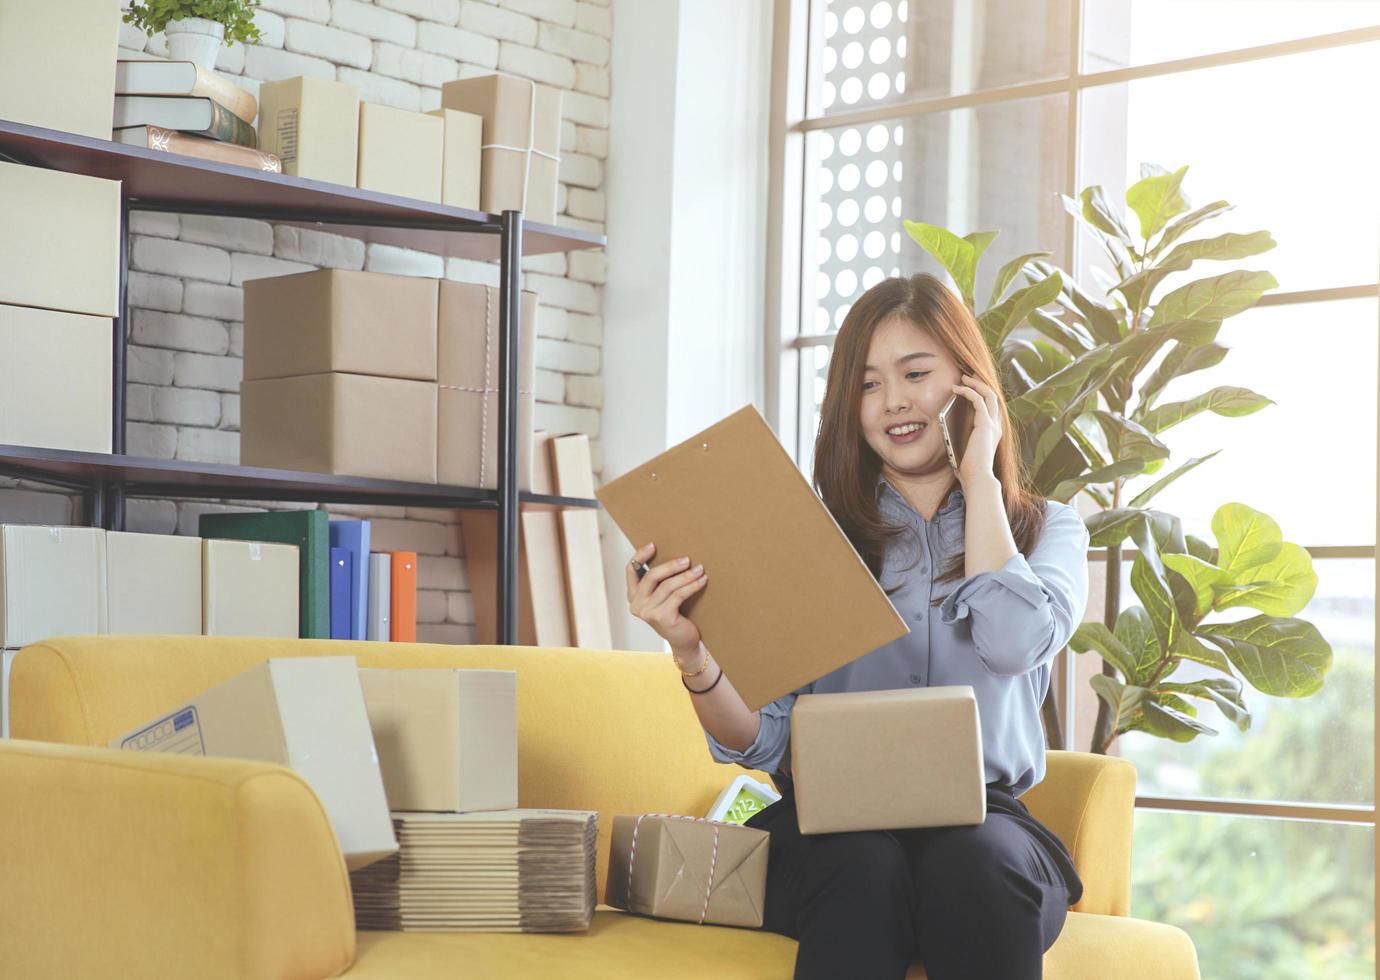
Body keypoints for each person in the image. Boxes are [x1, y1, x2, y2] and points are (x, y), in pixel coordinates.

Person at [624, 273, 1093, 979]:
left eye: (916, 373)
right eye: (868, 384)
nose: (894, 402)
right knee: (864, 866)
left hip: (986, 824)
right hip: (828, 826)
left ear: (970, 386)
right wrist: (691, 653)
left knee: (978, 863)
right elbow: (763, 738)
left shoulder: (1045, 529)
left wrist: (980, 482)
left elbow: (1012, 642)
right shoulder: (808, 536)